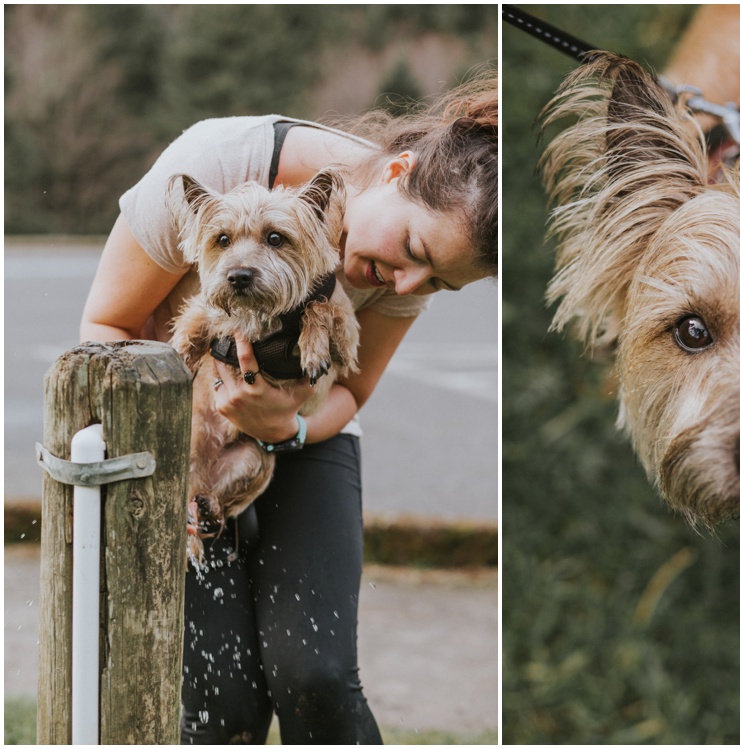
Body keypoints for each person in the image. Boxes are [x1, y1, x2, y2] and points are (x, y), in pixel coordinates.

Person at [79, 71, 497, 744]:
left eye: (439, 283)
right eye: (415, 252)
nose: (409, 283)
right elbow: (106, 327)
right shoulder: (215, 161)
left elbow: (351, 391)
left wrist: (286, 426)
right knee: (223, 697)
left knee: (317, 676)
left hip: (306, 424)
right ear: (396, 170)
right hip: (181, 438)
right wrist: (180, 444)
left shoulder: (403, 272)